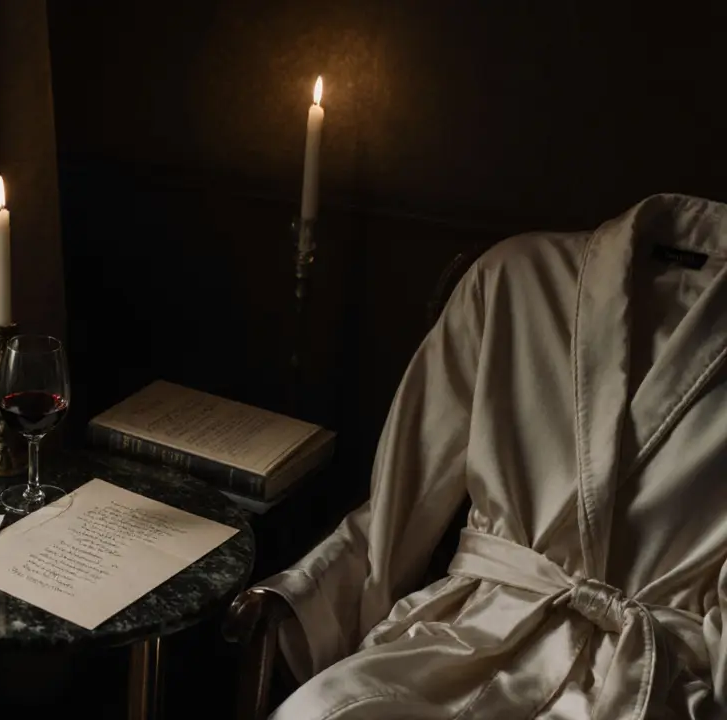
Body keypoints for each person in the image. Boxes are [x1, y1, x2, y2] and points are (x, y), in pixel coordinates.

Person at [263, 194, 727, 719]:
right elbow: (401, 497)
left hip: (656, 674)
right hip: (470, 634)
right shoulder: (514, 278)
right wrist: (309, 593)